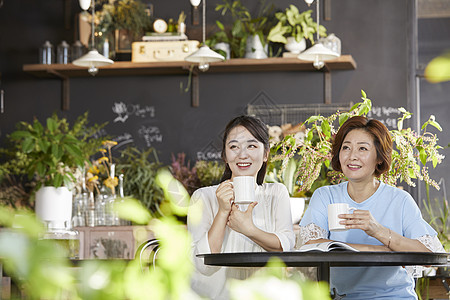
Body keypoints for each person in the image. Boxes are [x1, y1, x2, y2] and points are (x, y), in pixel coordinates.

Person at [299, 116, 444, 299]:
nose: (352, 156)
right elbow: (310, 246)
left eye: (362, 148)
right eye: (346, 147)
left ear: (379, 158)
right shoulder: (325, 196)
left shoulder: (399, 200)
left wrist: (379, 232)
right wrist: (379, 250)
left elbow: (430, 256)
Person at [187, 115, 295, 300]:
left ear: (266, 154)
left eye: (252, 146)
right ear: (224, 155)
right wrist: (222, 212)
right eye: (234, 147)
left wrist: (248, 229)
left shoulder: (276, 193)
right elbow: (202, 266)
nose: (242, 154)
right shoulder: (203, 197)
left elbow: (285, 247)